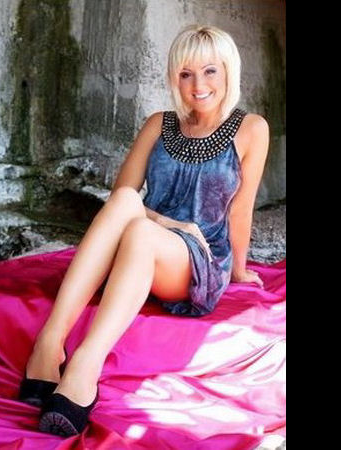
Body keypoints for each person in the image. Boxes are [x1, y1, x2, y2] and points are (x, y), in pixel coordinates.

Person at [19, 23, 270, 437]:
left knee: (138, 228)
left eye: (210, 71)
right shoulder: (159, 124)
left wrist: (239, 270)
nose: (198, 85)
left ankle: (83, 368)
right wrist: (168, 221)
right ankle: (48, 345)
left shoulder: (251, 128)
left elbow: (240, 211)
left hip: (196, 258)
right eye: (186, 73)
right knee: (124, 202)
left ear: (229, 70)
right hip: (144, 237)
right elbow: (123, 196)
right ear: (174, 77)